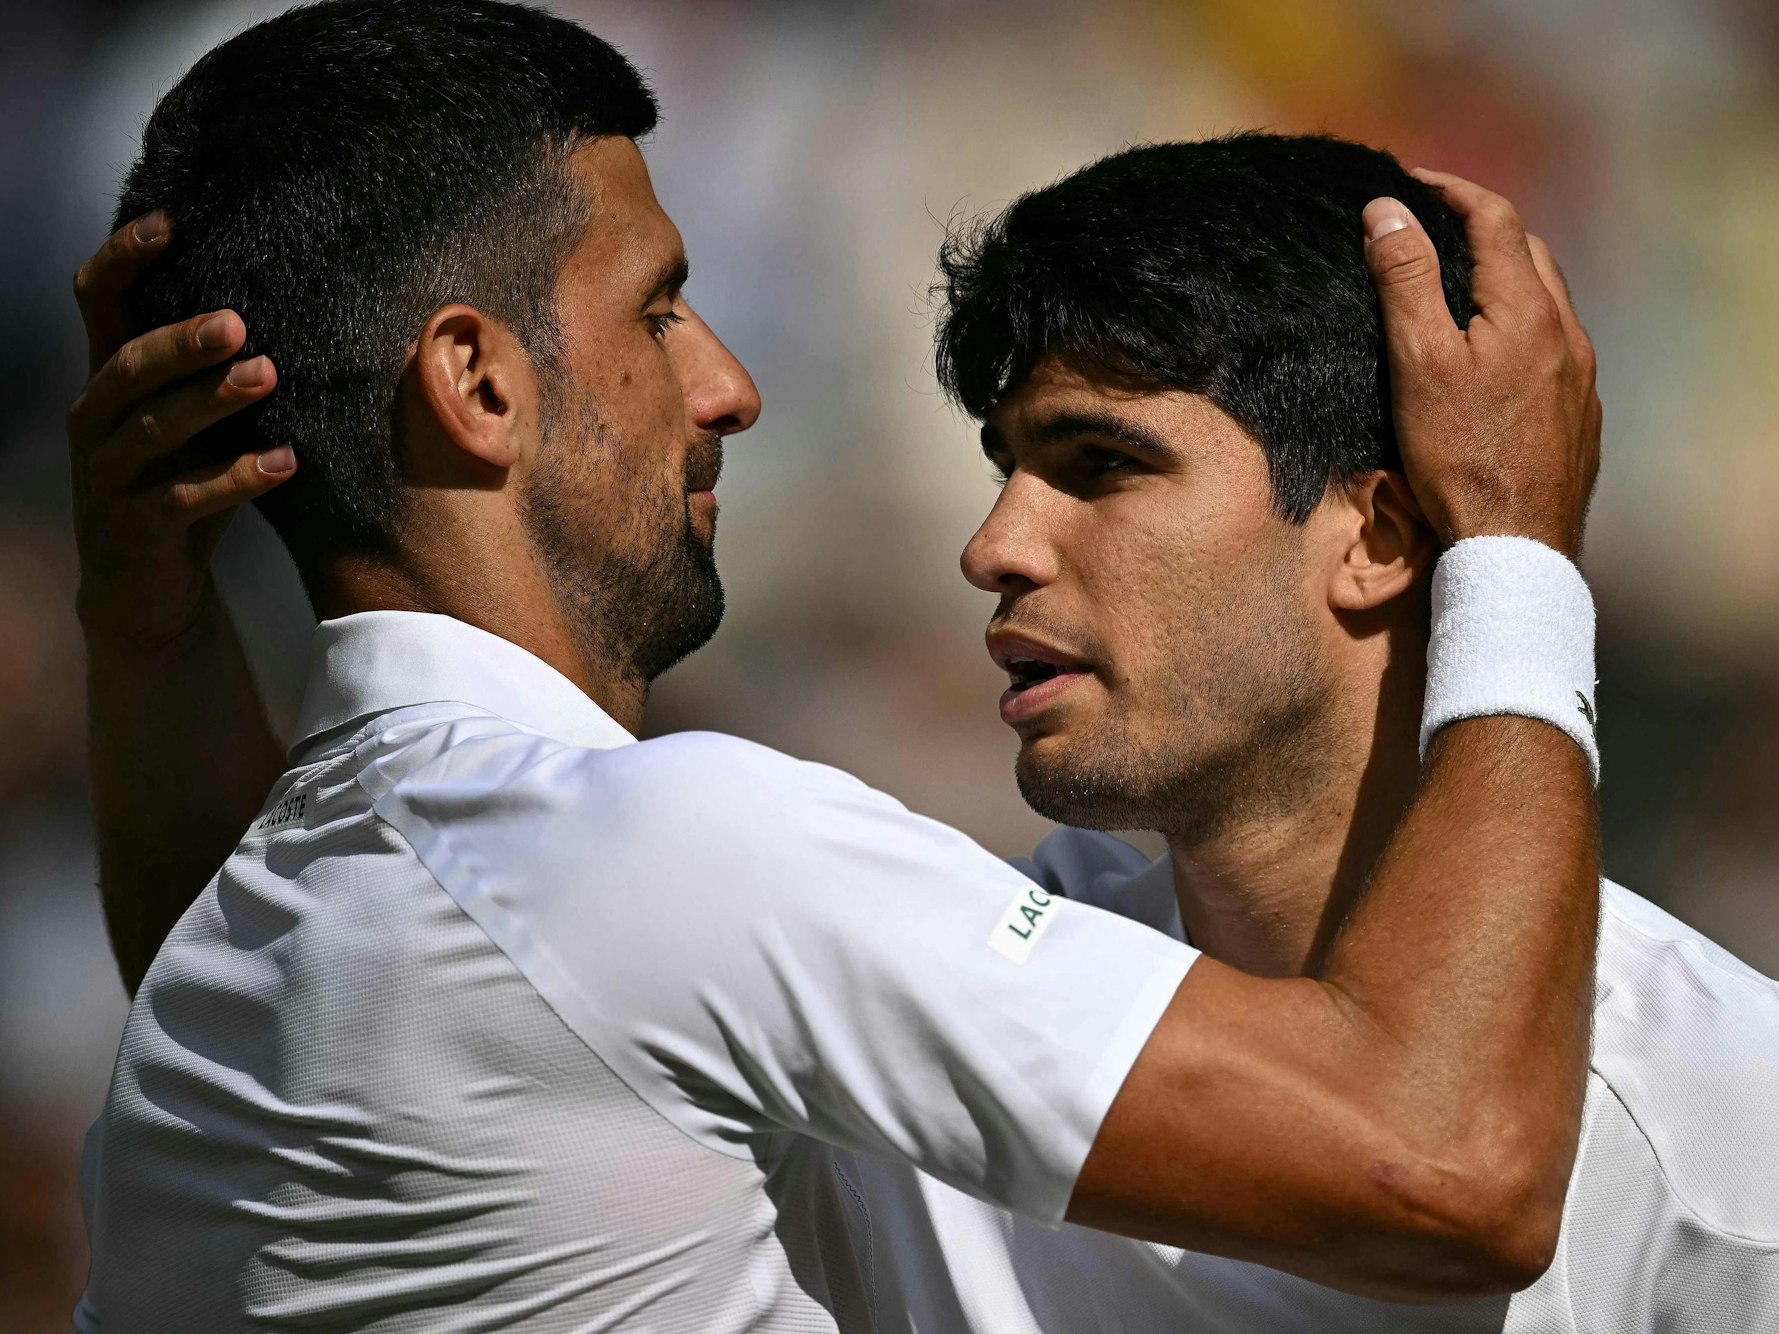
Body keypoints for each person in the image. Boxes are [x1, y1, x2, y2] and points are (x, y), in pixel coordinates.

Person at [67, 2, 1603, 1329]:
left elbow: (233, 929)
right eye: (656, 308)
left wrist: (152, 623)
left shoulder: (227, 983)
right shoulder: (658, 850)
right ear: (475, 381)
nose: (725, 385)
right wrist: (1513, 545)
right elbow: (1445, 1164)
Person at [830, 138, 1777, 1332]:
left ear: (1378, 538)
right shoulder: (918, 1008)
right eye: (1008, 465)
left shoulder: (1732, 1146)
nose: (994, 544)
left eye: (1102, 463)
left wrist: (1513, 547)